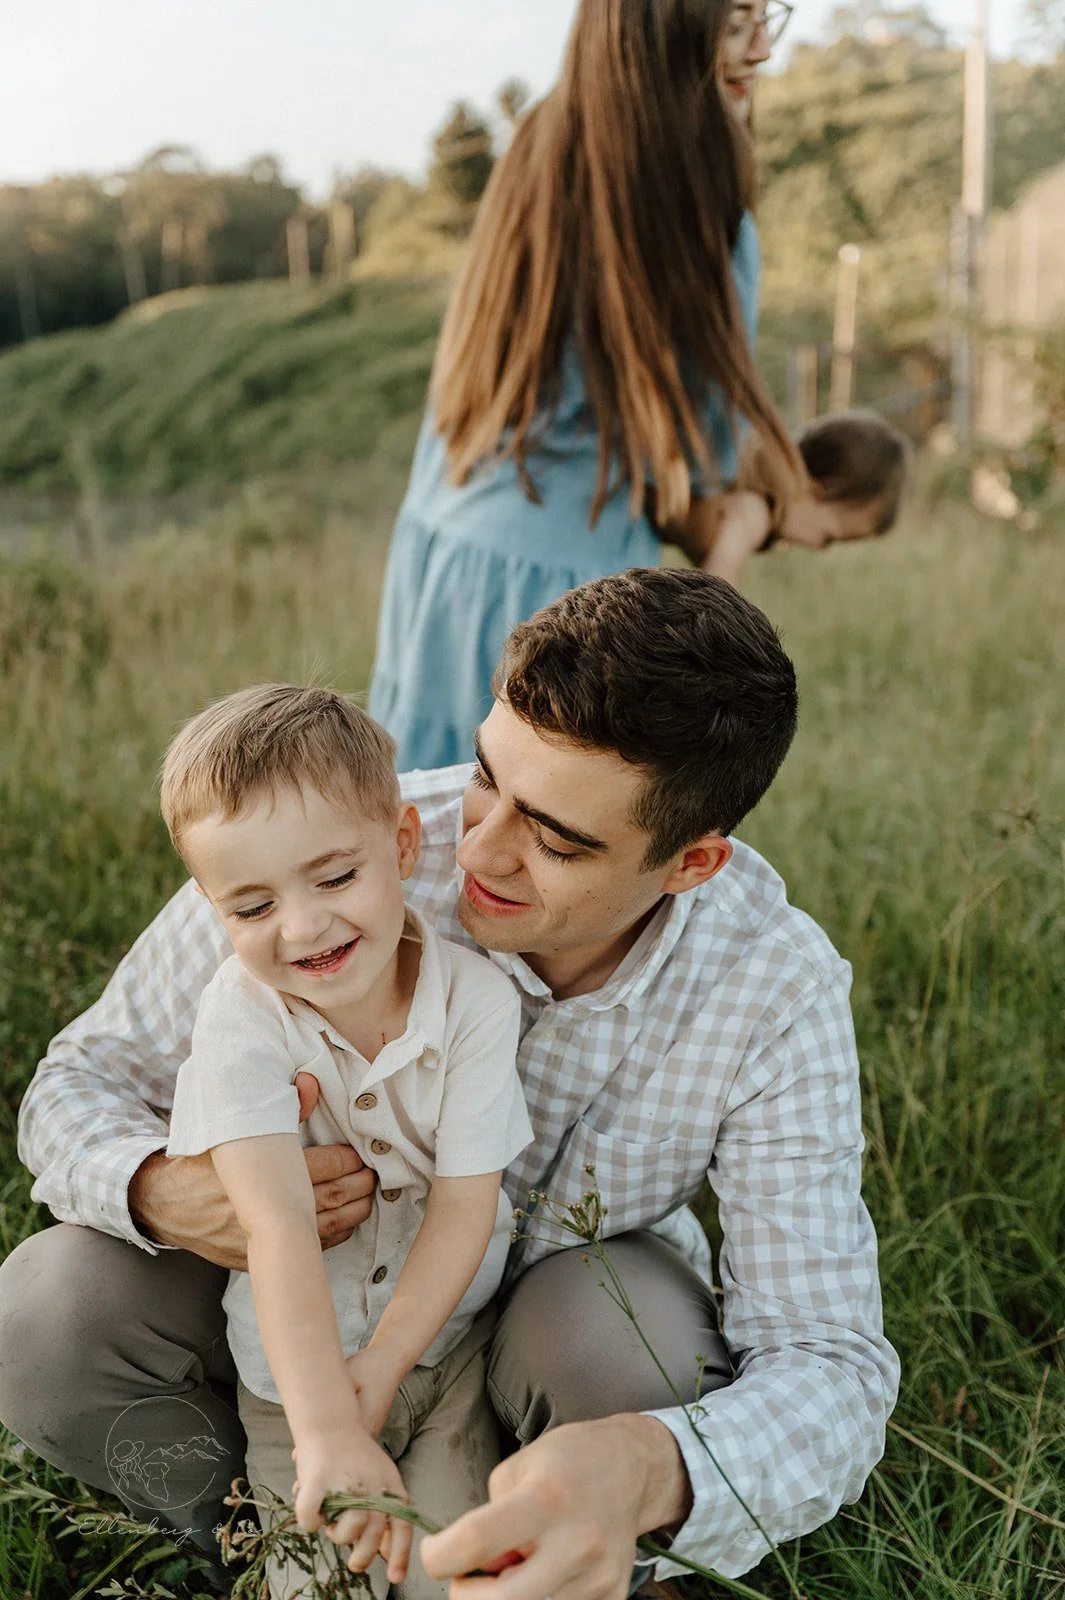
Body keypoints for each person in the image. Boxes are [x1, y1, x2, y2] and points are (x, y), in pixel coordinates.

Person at [1, 570, 899, 1599]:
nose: (478, 847)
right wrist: (165, 1187)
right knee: (46, 1313)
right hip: (306, 1323)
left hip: (554, 1325)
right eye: (486, 776)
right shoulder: (338, 847)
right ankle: (261, 1535)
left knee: (629, 1359)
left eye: (555, 839)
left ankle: (562, 1542)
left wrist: (649, 1465)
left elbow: (830, 1361)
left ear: (691, 864)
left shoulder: (775, 986)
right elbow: (77, 1081)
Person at [159, 685, 533, 1597]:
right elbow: (275, 1224)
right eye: (250, 908)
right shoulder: (241, 1019)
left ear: (402, 846)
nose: (303, 926)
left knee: (449, 1577)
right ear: (213, 910)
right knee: (323, 1584)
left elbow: (464, 1204)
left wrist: (384, 1369)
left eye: (334, 878)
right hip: (294, 1386)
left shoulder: (476, 1002)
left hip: (441, 1357)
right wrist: (328, 1420)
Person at [368, 0, 802, 772]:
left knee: (417, 837)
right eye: (737, 23)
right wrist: (756, 515)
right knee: (548, 863)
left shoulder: (540, 141)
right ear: (661, 29)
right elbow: (699, 477)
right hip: (567, 597)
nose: (763, 49)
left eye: (768, 17)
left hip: (439, 551)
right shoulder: (701, 211)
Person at [677, 409, 913, 587]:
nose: (822, 549)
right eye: (828, 537)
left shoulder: (752, 468)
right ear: (814, 492)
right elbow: (715, 586)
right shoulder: (756, 512)